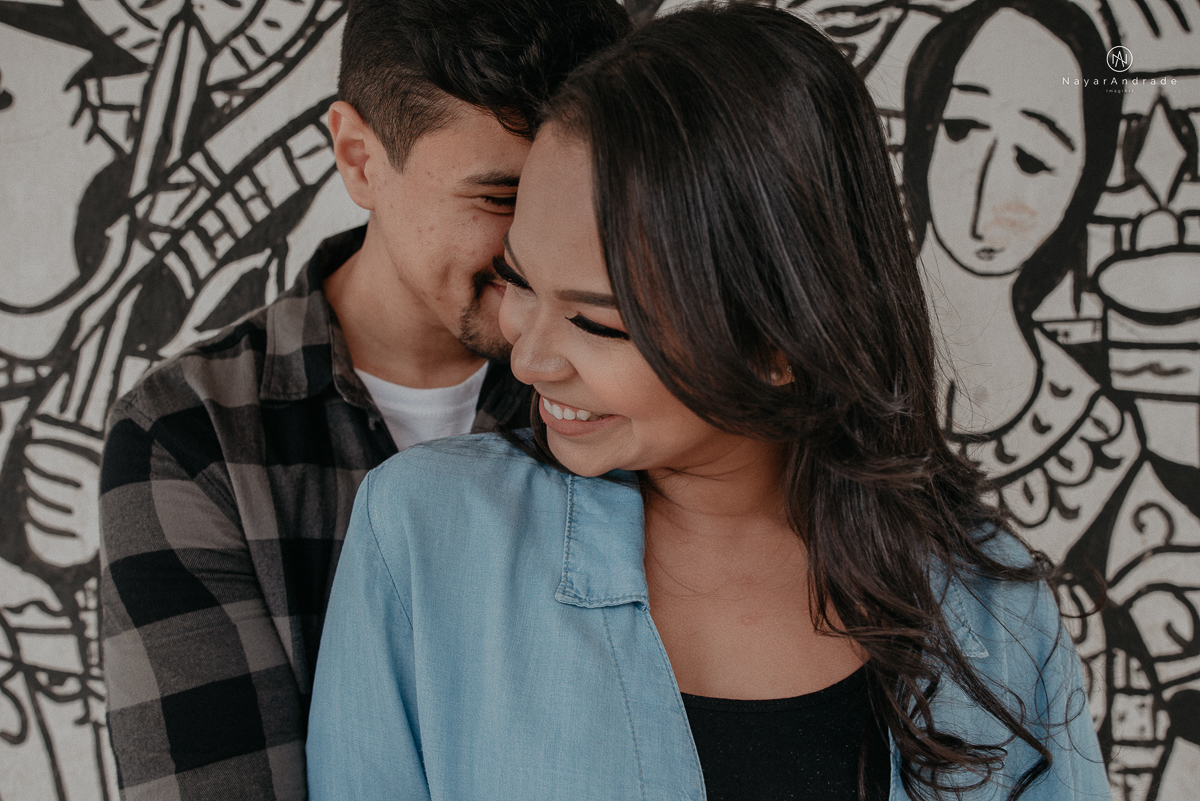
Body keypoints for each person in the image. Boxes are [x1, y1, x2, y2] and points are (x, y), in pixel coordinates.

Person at [306, 4, 1109, 800]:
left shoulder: (993, 604)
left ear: (779, 345)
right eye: (520, 279)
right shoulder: (426, 534)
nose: (531, 354)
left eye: (596, 321)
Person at [98, 1, 631, 798]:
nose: (546, 248)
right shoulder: (189, 434)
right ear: (359, 158)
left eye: (590, 200)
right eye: (500, 197)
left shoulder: (646, 392)